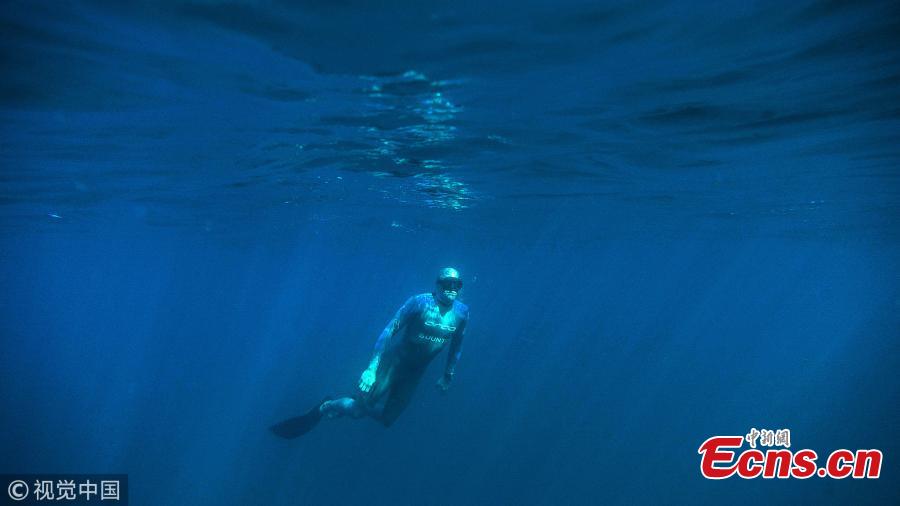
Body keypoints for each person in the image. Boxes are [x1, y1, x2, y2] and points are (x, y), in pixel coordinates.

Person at [270, 267, 469, 438]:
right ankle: (327, 406)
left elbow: (457, 344)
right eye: (447, 283)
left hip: (414, 374)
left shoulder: (462, 312)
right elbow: (388, 331)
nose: (452, 288)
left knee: (387, 419)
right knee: (357, 411)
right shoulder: (419, 302)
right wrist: (371, 369)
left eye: (457, 285)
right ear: (437, 285)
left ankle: (356, 403)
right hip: (393, 365)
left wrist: (448, 374)